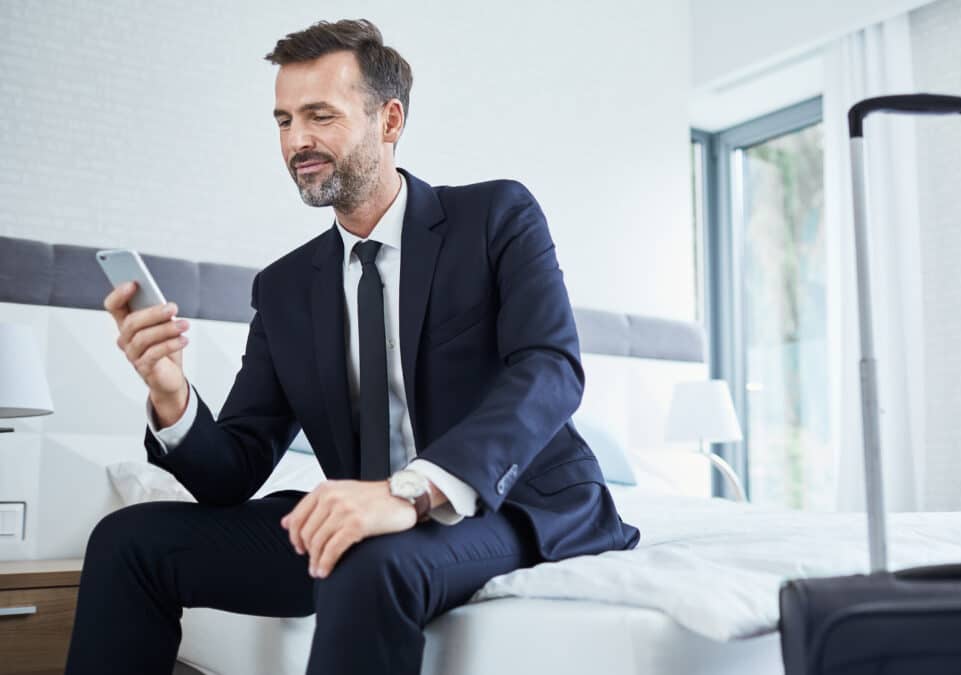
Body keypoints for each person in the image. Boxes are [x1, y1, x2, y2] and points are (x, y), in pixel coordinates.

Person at [64, 18, 638, 675]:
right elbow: (233, 470)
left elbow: (550, 370)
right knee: (128, 539)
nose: (296, 141)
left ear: (389, 120)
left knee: (364, 556)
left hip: (506, 504)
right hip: (357, 513)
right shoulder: (283, 289)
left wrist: (408, 491)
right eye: (282, 120)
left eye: (318, 116)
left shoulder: (496, 217)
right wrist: (170, 393)